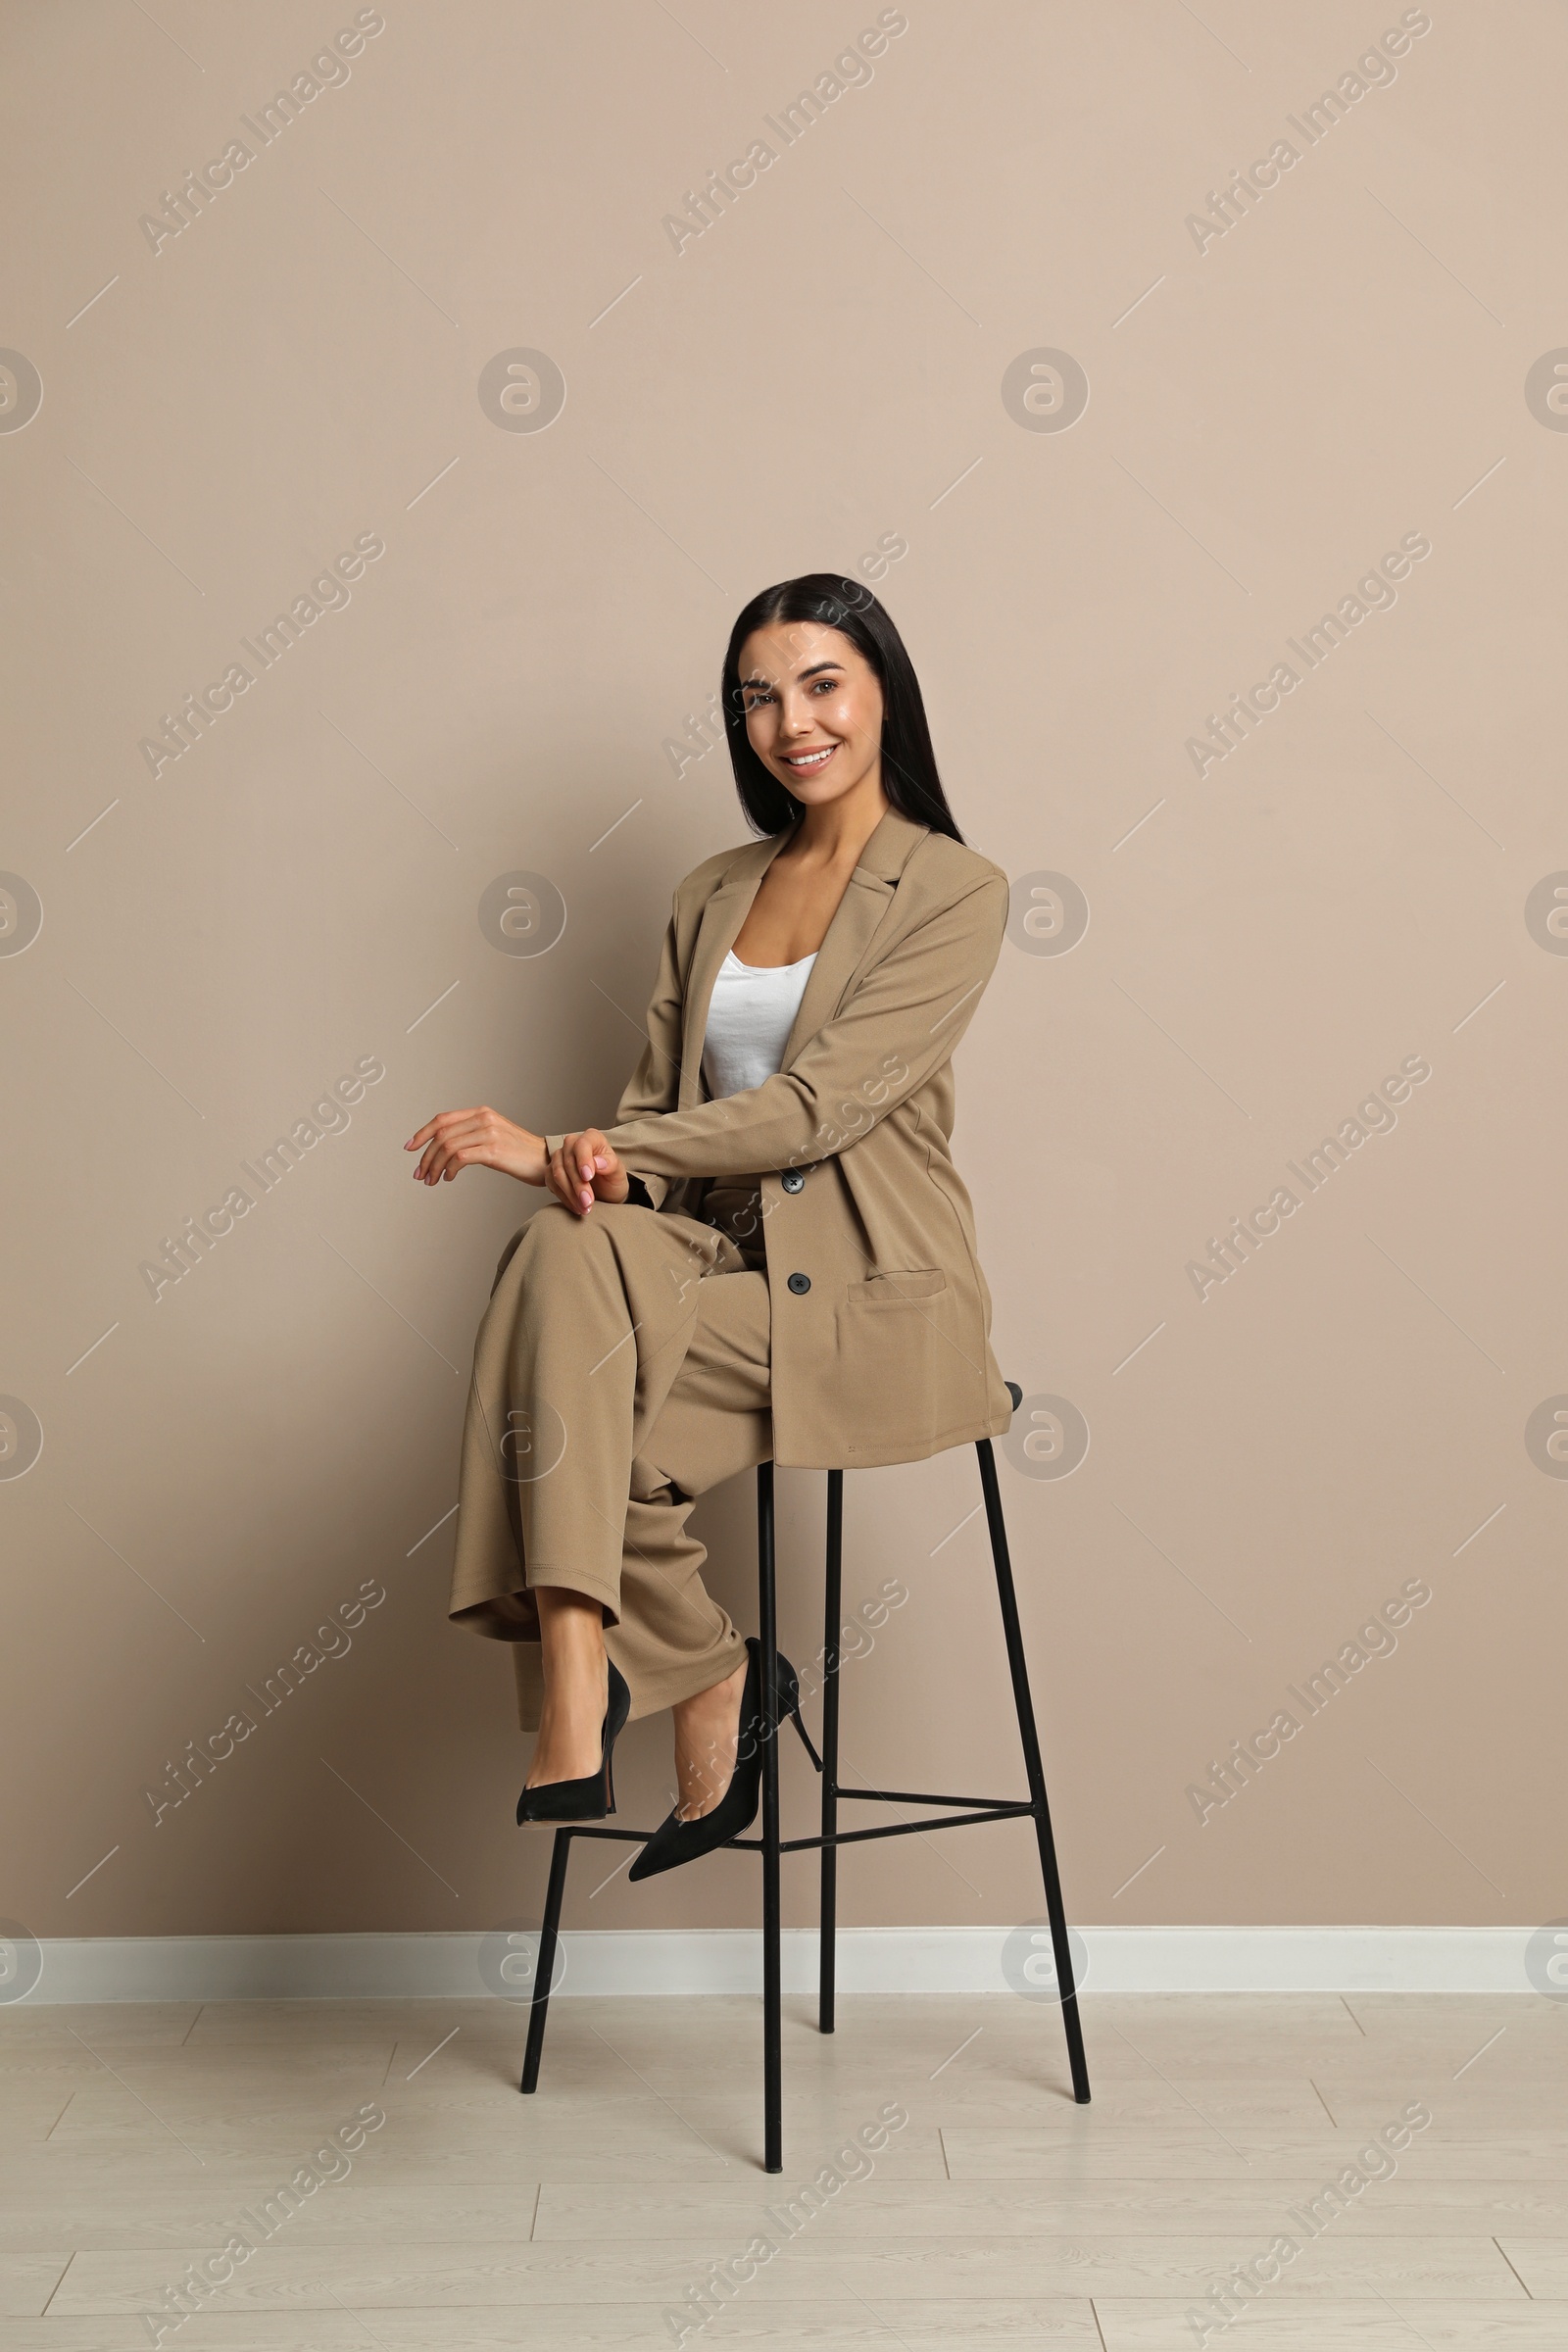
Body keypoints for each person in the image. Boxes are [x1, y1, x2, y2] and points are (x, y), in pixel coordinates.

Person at [406, 573, 1013, 1879]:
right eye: (757, 697)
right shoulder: (710, 890)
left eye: (820, 684)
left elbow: (814, 1111)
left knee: (561, 1437)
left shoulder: (955, 891)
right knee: (563, 1245)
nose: (790, 721)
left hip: (866, 1295)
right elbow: (648, 1125)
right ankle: (604, 1676)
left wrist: (568, 1147)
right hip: (708, 1263)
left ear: (882, 692)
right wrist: (584, 1165)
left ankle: (665, 1683)